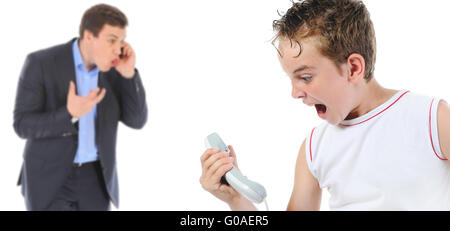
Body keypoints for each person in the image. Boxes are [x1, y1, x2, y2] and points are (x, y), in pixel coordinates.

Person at [200, 0, 450, 210]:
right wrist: (237, 199)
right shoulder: (314, 148)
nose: (295, 93)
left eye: (305, 77)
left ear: (353, 68)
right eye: (291, 79)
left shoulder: (430, 118)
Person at [13, 4, 147, 211]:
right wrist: (69, 114)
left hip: (96, 179)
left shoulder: (115, 69)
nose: (118, 49)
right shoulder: (41, 63)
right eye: (111, 40)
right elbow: (22, 125)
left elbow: (137, 121)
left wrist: (129, 75)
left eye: (121, 41)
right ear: (89, 36)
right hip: (50, 179)